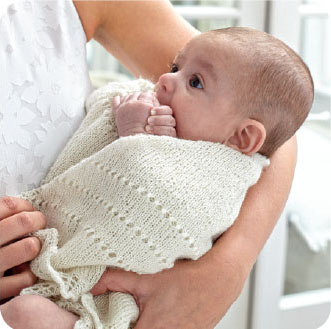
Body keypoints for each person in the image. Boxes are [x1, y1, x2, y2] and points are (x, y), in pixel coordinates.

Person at [0, 1, 298, 329]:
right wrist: (132, 130)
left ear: (242, 139)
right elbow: (113, 122)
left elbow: (278, 135)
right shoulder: (174, 106)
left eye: (193, 81)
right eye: (173, 67)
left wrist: (224, 271)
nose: (164, 81)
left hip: (117, 289)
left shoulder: (221, 162)